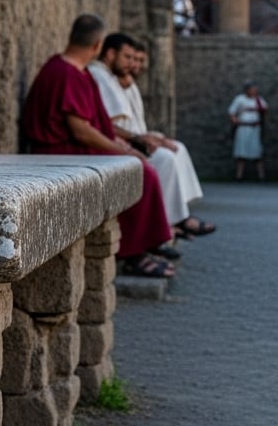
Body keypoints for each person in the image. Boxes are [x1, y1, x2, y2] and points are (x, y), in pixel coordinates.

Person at [21, 14, 177, 278]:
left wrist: (122, 146)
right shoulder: (64, 73)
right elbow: (81, 130)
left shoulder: (76, 72)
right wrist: (122, 150)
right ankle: (132, 254)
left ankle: (145, 245)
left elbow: (96, 124)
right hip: (61, 151)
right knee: (140, 171)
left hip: (73, 147)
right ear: (97, 45)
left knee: (138, 166)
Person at [89, 33, 215, 240]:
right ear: (110, 54)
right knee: (164, 158)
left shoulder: (115, 78)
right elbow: (106, 123)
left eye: (136, 59)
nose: (132, 64)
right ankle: (169, 223)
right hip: (112, 144)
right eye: (128, 58)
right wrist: (136, 141)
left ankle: (178, 215)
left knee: (176, 148)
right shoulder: (99, 75)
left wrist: (147, 137)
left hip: (126, 139)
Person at [228, 83, 267, 180]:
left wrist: (256, 109)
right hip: (243, 128)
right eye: (252, 90)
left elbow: (265, 108)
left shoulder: (258, 100)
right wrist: (234, 119)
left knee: (257, 151)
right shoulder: (240, 99)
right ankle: (239, 175)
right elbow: (231, 111)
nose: (254, 92)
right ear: (247, 90)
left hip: (254, 128)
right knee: (241, 151)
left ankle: (261, 175)